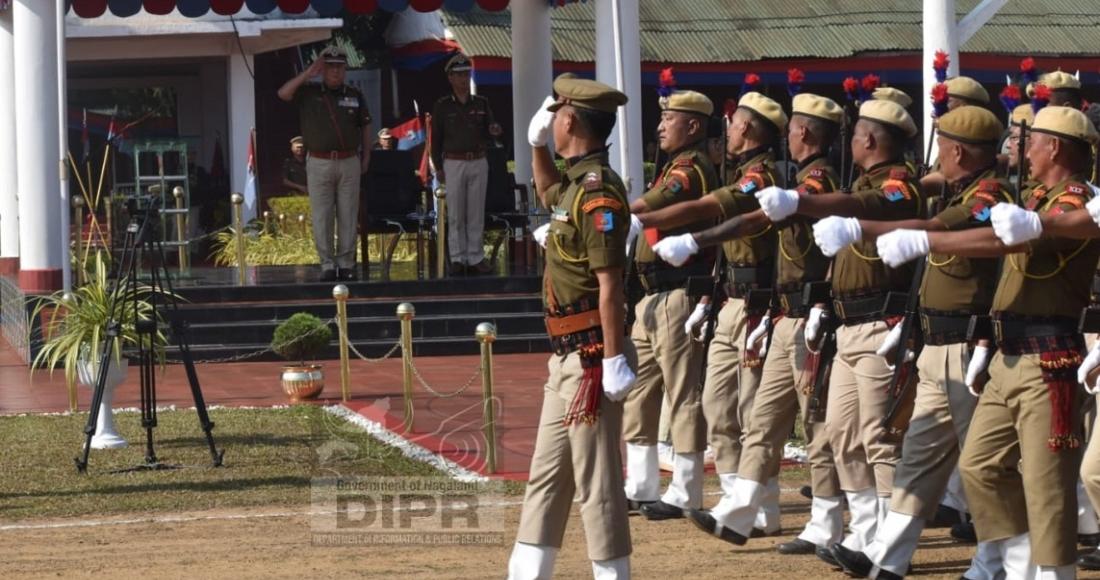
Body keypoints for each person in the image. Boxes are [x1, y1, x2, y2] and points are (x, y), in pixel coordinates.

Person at [879, 105, 1100, 579]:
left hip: (1048, 359)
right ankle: (1019, 561)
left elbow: (1008, 243)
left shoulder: (1072, 201)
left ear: (1055, 147)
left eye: (1030, 142)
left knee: (1047, 484)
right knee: (979, 467)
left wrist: (928, 243)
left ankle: (1052, 573)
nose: (1018, 152)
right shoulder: (1038, 197)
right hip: (1007, 353)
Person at [812, 106, 1011, 579]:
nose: (936, 156)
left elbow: (944, 231)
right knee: (917, 458)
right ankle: (887, 556)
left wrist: (863, 228)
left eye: (942, 145)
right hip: (936, 345)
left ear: (958, 150)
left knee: (985, 466)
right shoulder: (954, 193)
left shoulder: (989, 196)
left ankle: (995, 559)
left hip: (970, 349)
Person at [648, 92, 847, 554]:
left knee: (811, 421)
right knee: (744, 415)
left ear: (803, 133)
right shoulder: (783, 178)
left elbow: (744, 222)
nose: (729, 130)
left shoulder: (804, 182)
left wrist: (685, 236)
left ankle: (823, 519)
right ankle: (741, 509)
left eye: (735, 123)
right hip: (766, 309)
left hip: (794, 312)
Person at [755, 99, 925, 564]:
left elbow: (865, 205)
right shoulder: (859, 184)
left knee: (879, 435)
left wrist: (802, 200)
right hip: (847, 325)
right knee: (842, 432)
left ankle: (891, 545)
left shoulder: (898, 186)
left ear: (869, 140)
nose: (849, 142)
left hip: (880, 324)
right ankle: (864, 531)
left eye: (855, 135)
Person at [630, 91, 785, 532]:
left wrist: (632, 215)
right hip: (719, 296)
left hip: (745, 303)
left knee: (741, 407)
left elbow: (709, 209)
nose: (660, 126)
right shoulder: (727, 171)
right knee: (716, 406)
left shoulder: (733, 174)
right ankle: (732, 500)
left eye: (669, 118)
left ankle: (740, 501)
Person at [506, 75, 634, 580]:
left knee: (597, 482)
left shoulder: (598, 194)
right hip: (566, 356)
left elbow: (611, 285)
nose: (553, 122)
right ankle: (527, 572)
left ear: (571, 119)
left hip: (590, 359)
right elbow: (546, 191)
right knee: (547, 476)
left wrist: (614, 358)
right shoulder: (577, 185)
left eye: (556, 116)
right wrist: (536, 145)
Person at [620, 89, 719, 522]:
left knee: (682, 394)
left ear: (693, 126)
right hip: (651, 296)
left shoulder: (691, 169)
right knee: (640, 392)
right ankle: (641, 482)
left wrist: (606, 216)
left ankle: (686, 488)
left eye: (670, 119)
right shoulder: (670, 167)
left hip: (678, 294)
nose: (660, 126)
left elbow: (652, 206)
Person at [277, 45, 371, 282]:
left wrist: (366, 156)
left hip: (348, 159)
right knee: (322, 215)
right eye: (330, 68)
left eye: (340, 67)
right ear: (323, 69)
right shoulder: (309, 92)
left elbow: (366, 126)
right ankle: (327, 264)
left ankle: (346, 263)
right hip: (319, 161)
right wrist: (309, 72)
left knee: (348, 214)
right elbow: (283, 93)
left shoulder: (354, 94)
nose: (336, 72)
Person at [430, 53, 503, 276]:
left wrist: (495, 130)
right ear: (450, 78)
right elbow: (435, 140)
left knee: (475, 212)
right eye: (459, 75)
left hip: (478, 160)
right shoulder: (442, 106)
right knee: (455, 214)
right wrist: (438, 168)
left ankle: (475, 257)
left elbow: (491, 129)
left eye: (466, 74)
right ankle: (458, 258)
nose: (463, 79)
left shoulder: (481, 103)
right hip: (453, 162)